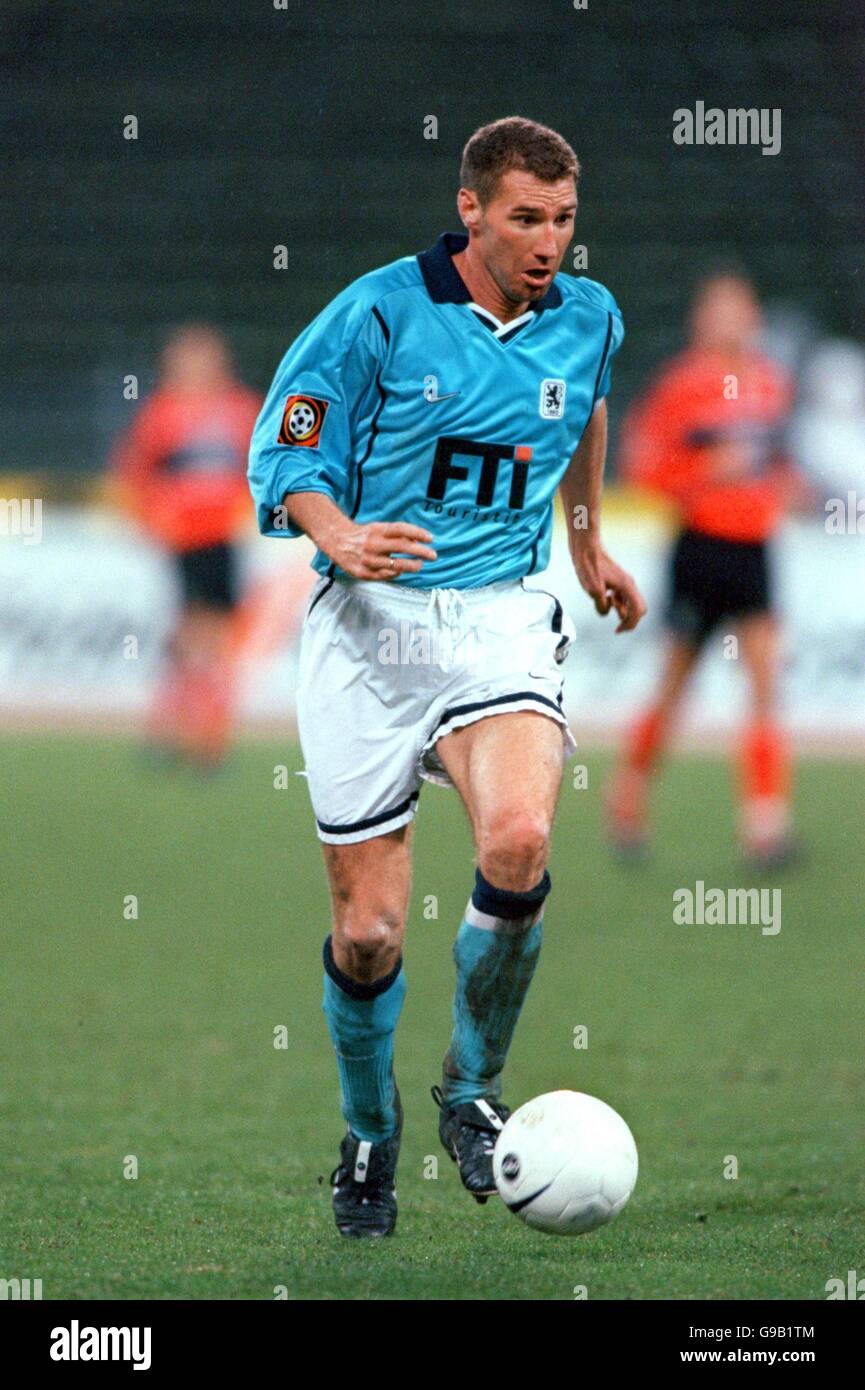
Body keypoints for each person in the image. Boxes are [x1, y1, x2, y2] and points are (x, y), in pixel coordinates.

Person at [248, 117, 646, 1238]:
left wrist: (585, 543)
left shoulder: (589, 316)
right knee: (369, 934)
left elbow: (585, 410)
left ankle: (470, 1089)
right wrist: (341, 529)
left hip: (498, 623)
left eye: (564, 221)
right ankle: (369, 1133)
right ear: (470, 209)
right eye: (527, 218)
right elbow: (286, 451)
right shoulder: (377, 311)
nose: (549, 243)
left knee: (518, 839)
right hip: (368, 629)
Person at [607, 274, 802, 867]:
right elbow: (642, 468)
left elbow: (782, 461)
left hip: (754, 550)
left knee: (766, 683)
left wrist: (787, 487)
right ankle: (627, 796)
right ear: (702, 319)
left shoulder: (772, 383)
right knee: (674, 686)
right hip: (700, 549)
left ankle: (765, 826)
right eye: (722, 310)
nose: (733, 321)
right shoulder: (680, 384)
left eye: (742, 310)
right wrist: (705, 475)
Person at [112, 325, 262, 767]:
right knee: (196, 635)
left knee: (213, 638)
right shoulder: (163, 412)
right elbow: (136, 470)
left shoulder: (240, 409)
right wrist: (148, 518)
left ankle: (200, 732)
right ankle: (183, 730)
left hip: (223, 539)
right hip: (185, 541)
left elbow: (266, 462)